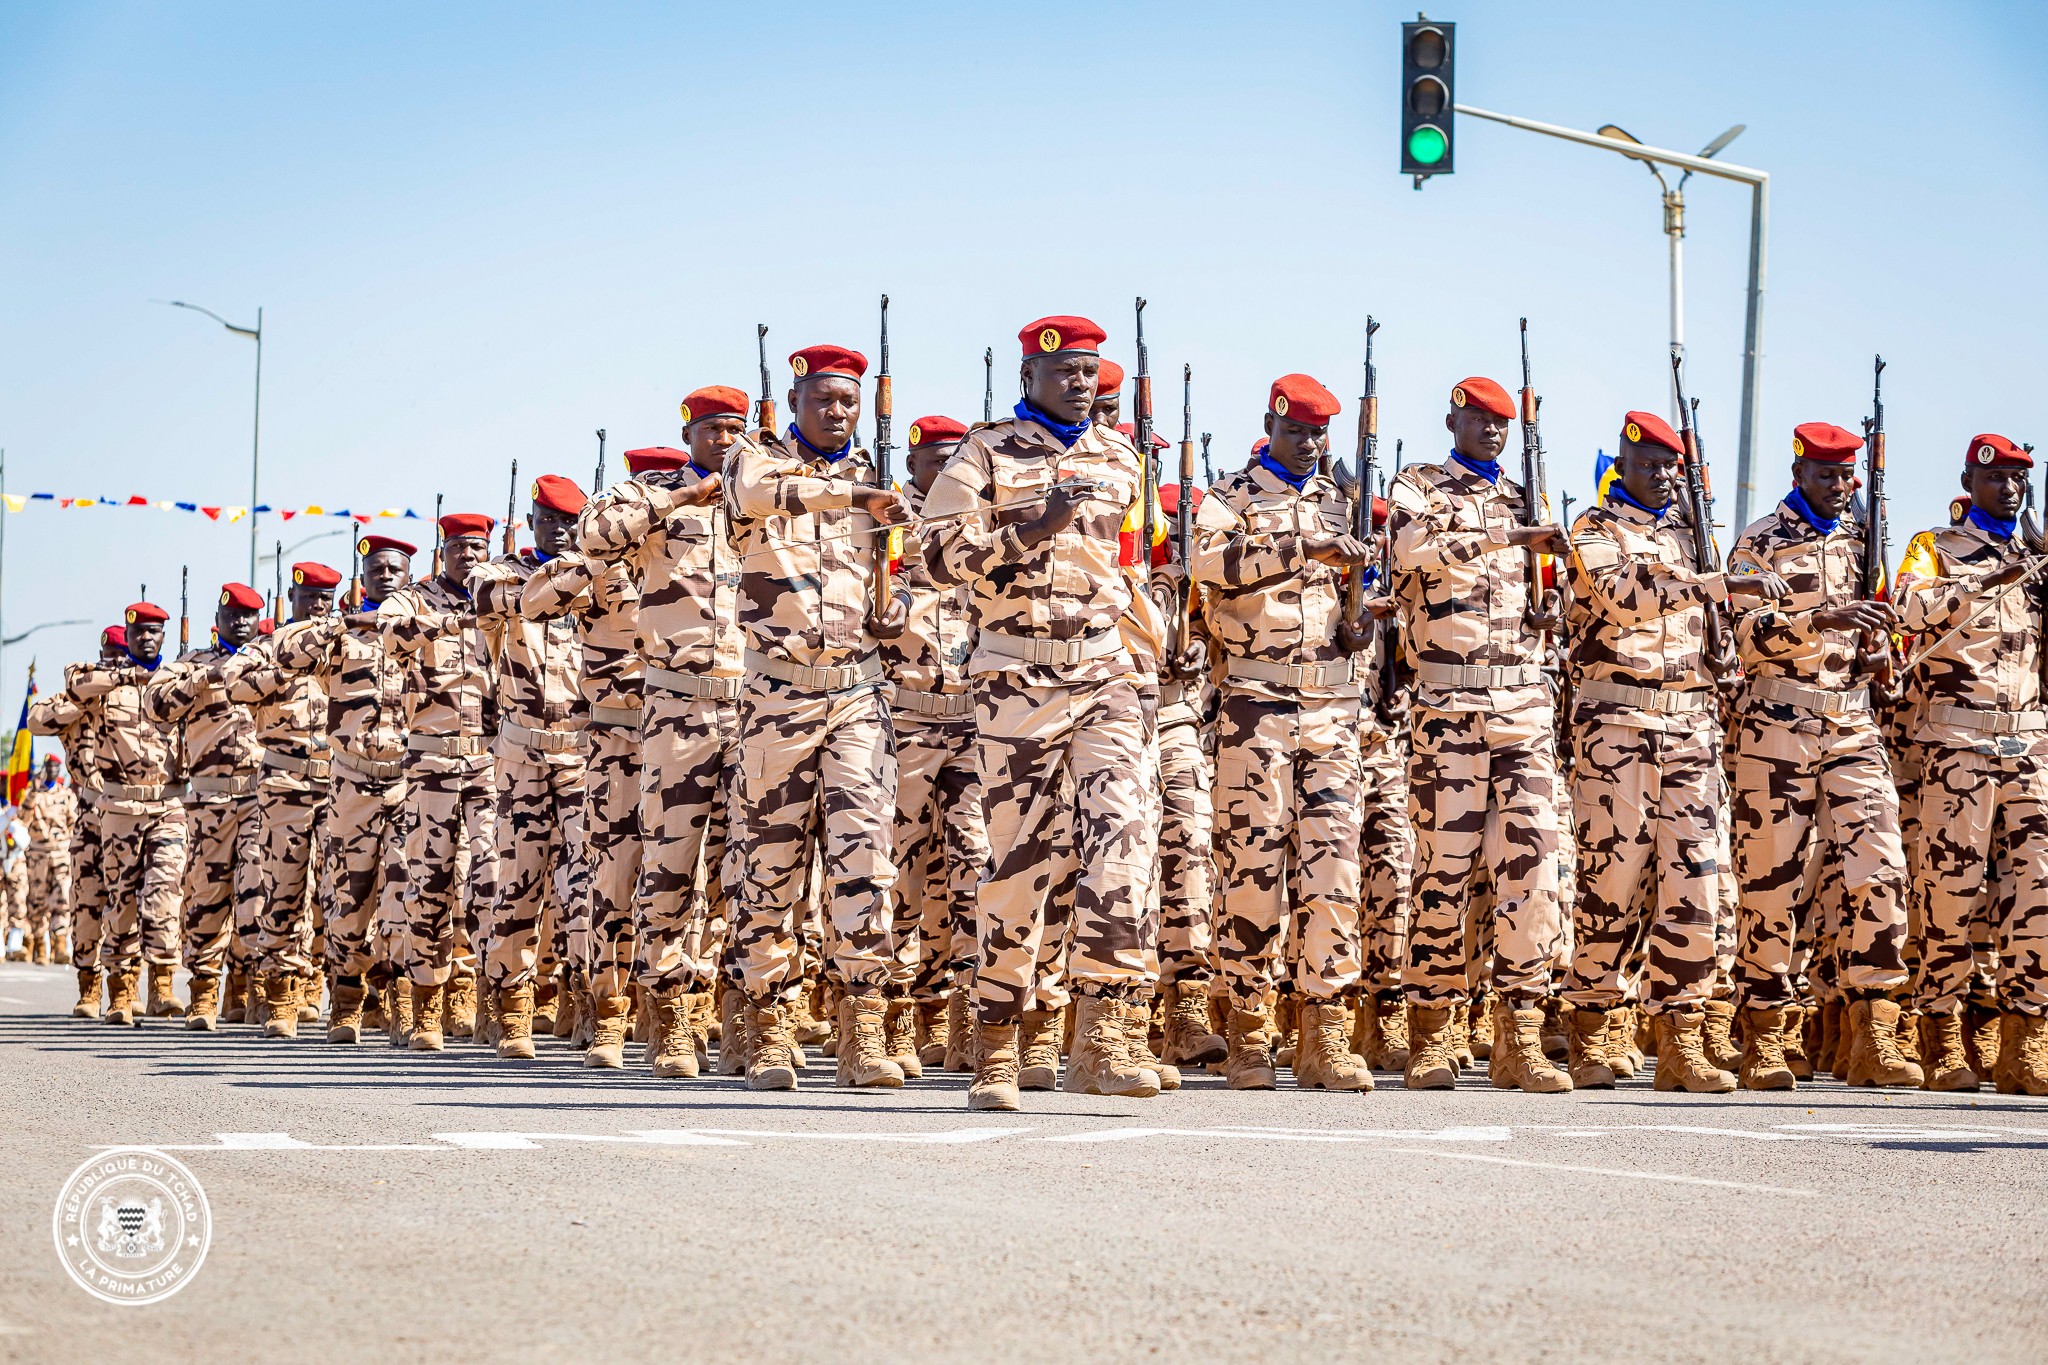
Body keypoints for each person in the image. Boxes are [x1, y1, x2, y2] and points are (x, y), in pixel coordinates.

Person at [924, 314, 1161, 1110]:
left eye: (1090, 370)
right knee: (1021, 862)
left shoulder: (1120, 457)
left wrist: (1147, 647)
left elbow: (1127, 567)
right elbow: (937, 558)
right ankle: (997, 1040)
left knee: (1124, 839)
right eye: (1064, 371)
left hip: (1104, 672)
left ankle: (1103, 1038)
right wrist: (1032, 528)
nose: (1080, 383)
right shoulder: (984, 452)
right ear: (1028, 377)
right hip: (1015, 679)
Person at [1559, 411, 1787, 1091]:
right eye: (1649, 465)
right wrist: (1714, 585)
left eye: (1670, 466)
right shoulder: (1595, 530)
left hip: (1690, 729)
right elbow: (1624, 597)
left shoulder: (1695, 538)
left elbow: (1727, 626)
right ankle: (1592, 1024)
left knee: (1695, 887)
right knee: (1612, 882)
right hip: (1617, 728)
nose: (1661, 476)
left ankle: (1682, 1040)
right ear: (1623, 465)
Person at [722, 346, 909, 1091]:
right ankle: (769, 1026)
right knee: (771, 864)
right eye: (824, 399)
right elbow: (758, 494)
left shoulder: (877, 477)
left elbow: (900, 573)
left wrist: (897, 600)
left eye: (849, 402)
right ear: (795, 401)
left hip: (858, 693)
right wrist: (856, 497)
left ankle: (863, 1029)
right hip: (778, 698)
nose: (837, 412)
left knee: (865, 859)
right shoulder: (756, 462)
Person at [1189, 373, 1375, 1090]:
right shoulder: (1231, 496)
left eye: (1318, 434)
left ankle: (1325, 1035)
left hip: (1332, 706)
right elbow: (1207, 563)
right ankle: (1248, 1033)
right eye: (1296, 431)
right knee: (1252, 869)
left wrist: (1360, 625)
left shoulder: (1341, 497)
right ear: (1271, 425)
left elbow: (1360, 593)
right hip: (1256, 702)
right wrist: (1302, 550)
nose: (1309, 444)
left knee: (1334, 870)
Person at [1387, 376, 1572, 1093]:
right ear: (1452, 422)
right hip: (1448, 707)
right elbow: (1409, 550)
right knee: (1444, 871)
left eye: (1502, 424)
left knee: (1534, 870)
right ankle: (1432, 1032)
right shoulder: (1419, 488)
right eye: (1480, 420)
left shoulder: (1528, 497)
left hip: (1522, 706)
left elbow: (1554, 582)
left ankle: (1519, 1035)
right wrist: (1508, 535)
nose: (1492, 431)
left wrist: (1553, 601)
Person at [1727, 422, 1917, 1088]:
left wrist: (1882, 655)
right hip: (1779, 725)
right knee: (1771, 886)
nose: (1839, 486)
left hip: (1853, 726)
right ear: (1800, 473)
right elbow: (1745, 636)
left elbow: (1889, 630)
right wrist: (1820, 621)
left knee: (1881, 868)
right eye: (1827, 475)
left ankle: (1875, 1032)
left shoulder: (1866, 542)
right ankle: (1765, 1035)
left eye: (1847, 476)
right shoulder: (1761, 542)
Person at [579, 415, 745, 1076]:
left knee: (747, 870)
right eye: (713, 430)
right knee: (667, 868)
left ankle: (732, 1012)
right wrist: (680, 496)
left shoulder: (761, 498)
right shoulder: (654, 503)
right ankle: (666, 1015)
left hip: (755, 706)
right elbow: (593, 534)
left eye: (737, 429)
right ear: (689, 435)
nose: (726, 441)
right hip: (676, 708)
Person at [1894, 432, 2048, 1094]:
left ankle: (2027, 1042)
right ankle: (1940, 1036)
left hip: (2030, 745)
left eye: (2018, 479)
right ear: (1968, 482)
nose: (2008, 489)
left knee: (2037, 894)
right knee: (1947, 898)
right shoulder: (1935, 546)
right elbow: (1905, 607)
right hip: (1958, 746)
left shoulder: (2039, 554)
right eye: (1995, 479)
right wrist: (1986, 579)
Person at [271, 539, 415, 1043]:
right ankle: (348, 997)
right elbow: (286, 655)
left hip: (408, 781)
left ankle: (399, 1000)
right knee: (349, 901)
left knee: (406, 893)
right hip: (352, 782)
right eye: (377, 569)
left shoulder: (422, 628)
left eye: (395, 569)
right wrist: (339, 623)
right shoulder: (341, 635)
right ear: (363, 577)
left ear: (410, 574)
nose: (386, 576)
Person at [880, 414, 989, 1074]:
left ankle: (968, 1016)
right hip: (905, 721)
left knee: (977, 870)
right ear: (913, 465)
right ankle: (891, 1014)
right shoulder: (889, 524)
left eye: (958, 461)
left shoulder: (982, 522)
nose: (949, 472)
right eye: (938, 461)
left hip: (974, 723)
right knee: (899, 872)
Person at [471, 477, 593, 1059]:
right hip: (522, 755)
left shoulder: (601, 579)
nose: (561, 531)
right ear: (531, 522)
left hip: (583, 753)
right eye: (551, 521)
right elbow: (497, 600)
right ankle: (511, 1007)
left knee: (585, 887)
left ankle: (583, 1000)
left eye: (571, 522)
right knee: (518, 885)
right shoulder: (499, 577)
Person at [378, 515, 499, 1049]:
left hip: (489, 762)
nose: (468, 556)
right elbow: (389, 635)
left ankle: (480, 994)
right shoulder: (414, 599)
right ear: (441, 551)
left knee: (491, 880)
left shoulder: (502, 594)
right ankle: (427, 1001)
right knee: (430, 884)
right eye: (458, 547)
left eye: (477, 547)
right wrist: (452, 622)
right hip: (430, 764)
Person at [216, 563, 338, 1037]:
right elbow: (234, 684)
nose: (319, 605)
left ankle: (327, 986)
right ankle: (280, 994)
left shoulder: (346, 642)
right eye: (310, 597)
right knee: (283, 890)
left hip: (342, 781)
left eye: (326, 597)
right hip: (286, 782)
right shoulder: (267, 646)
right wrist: (289, 662)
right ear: (292, 597)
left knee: (339, 891)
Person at [142, 582, 266, 1029]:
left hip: (259, 796)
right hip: (208, 801)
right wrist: (202, 679)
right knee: (208, 899)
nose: (240, 622)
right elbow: (155, 705)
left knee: (256, 895)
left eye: (248, 616)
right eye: (232, 616)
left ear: (259, 620)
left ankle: (247, 986)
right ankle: (204, 990)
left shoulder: (272, 658)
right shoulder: (192, 664)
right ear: (218, 620)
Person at [67, 602, 188, 1025]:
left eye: (154, 631)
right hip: (119, 808)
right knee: (121, 900)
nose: (146, 638)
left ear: (164, 636)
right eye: (139, 632)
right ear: (129, 636)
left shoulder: (176, 679)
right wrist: (124, 674)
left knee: (164, 894)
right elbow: (72, 684)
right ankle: (120, 990)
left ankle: (162, 985)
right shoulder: (106, 683)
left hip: (168, 805)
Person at [28, 626, 126, 1015]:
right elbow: (37, 720)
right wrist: (83, 702)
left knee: (131, 899)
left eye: (120, 657)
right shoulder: (78, 697)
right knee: (86, 901)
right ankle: (89, 986)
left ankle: (128, 988)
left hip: (134, 812)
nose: (115, 664)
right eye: (109, 658)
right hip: (91, 814)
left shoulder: (142, 694)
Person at [21, 755, 78, 967]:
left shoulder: (67, 795)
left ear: (59, 769)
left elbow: (74, 823)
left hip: (61, 853)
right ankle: (40, 946)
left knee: (63, 898)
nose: (51, 770)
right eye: (48, 766)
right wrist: (34, 793)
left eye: (55, 766)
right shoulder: (33, 794)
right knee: (38, 901)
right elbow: (22, 818)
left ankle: (60, 944)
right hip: (38, 855)